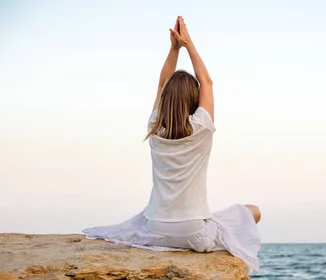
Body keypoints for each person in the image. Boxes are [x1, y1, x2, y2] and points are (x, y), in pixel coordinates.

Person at [83, 16, 261, 275]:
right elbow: (207, 83)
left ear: (165, 98)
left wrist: (174, 48)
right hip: (192, 232)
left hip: (155, 228)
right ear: (194, 99)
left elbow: (161, 82)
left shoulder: (155, 128)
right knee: (253, 212)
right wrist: (189, 44)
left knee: (161, 218)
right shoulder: (201, 128)